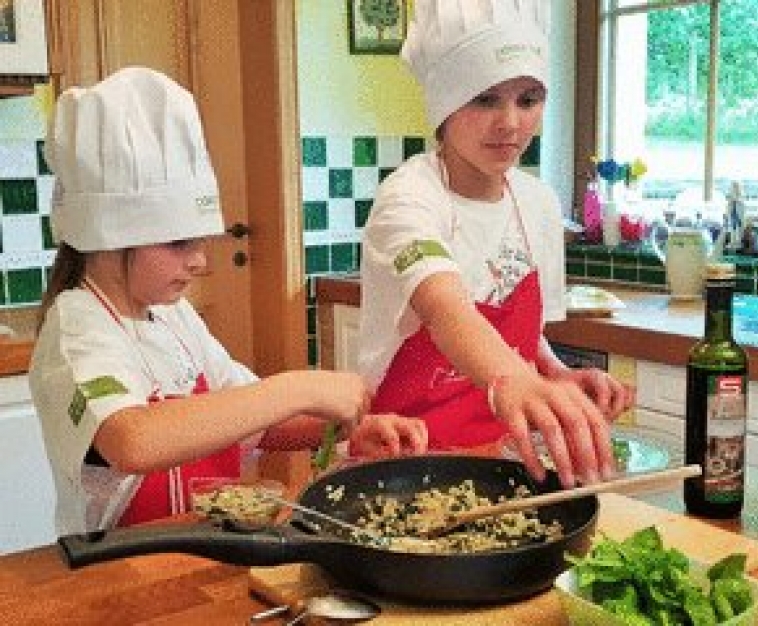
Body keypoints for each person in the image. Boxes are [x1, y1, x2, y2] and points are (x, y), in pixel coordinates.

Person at [29, 67, 428, 536]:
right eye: (179, 243)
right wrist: (301, 386)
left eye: (201, 242)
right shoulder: (77, 328)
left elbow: (251, 420)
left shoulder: (173, 316)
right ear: (109, 237)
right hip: (121, 570)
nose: (200, 262)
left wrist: (341, 428)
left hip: (196, 550)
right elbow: (132, 440)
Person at [357, 0, 634, 489]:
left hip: (504, 459)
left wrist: (553, 373)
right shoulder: (407, 197)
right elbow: (445, 309)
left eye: (528, 99)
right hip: (407, 463)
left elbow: (524, 337)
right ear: (444, 102)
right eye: (485, 99)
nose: (510, 122)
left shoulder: (538, 204)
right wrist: (513, 380)